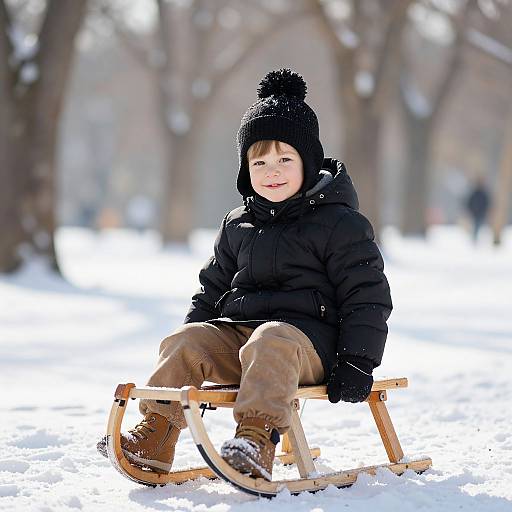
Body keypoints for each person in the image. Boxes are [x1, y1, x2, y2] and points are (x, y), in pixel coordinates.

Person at [97, 69, 392, 481]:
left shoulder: (340, 224)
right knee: (185, 341)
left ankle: (254, 440)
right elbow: (212, 289)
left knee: (271, 337)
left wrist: (358, 361)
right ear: (245, 169)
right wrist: (194, 341)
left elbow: (368, 296)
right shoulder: (238, 224)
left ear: (307, 164)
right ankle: (157, 436)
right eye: (260, 161)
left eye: (285, 160)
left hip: (306, 346)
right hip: (240, 339)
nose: (272, 171)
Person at [465, 177, 491, 243]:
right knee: (477, 226)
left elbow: (487, 203)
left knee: (480, 226)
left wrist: (486, 210)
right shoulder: (475, 193)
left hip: (481, 213)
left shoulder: (483, 193)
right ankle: (475, 239)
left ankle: (479, 239)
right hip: (476, 213)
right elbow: (469, 202)